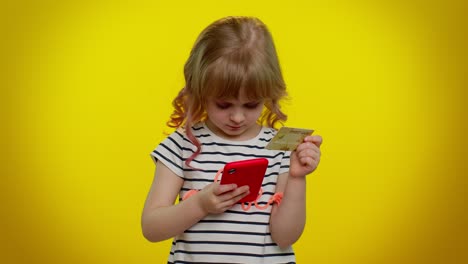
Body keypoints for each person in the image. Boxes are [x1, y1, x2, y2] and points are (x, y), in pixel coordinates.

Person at [141, 16, 322, 263]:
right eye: (224, 104)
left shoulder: (280, 147)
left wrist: (297, 177)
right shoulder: (182, 145)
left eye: (251, 104)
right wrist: (201, 205)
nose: (237, 117)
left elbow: (285, 237)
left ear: (268, 95)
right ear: (200, 90)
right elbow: (151, 228)